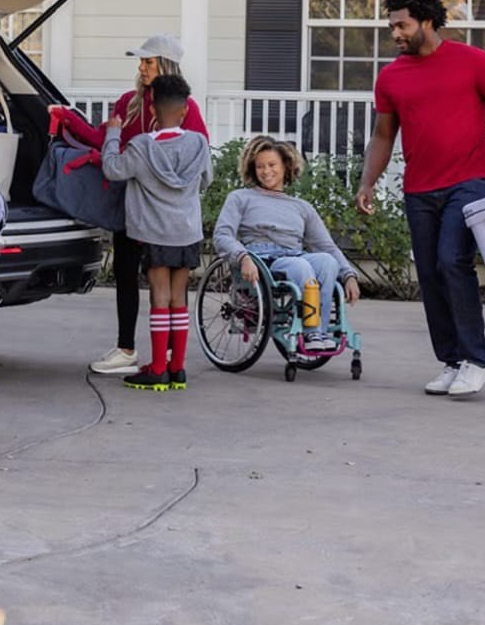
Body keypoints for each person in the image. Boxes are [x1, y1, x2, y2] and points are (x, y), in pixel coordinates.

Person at [355, 0, 485, 400]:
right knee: (431, 274)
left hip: (469, 181)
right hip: (420, 189)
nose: (395, 34)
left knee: (453, 262)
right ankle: (452, 361)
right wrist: (367, 182)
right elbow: (383, 136)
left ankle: (476, 360)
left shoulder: (472, 61)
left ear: (427, 21)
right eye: (392, 26)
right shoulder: (391, 76)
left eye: (402, 25)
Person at [87, 34, 209, 376]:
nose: (141, 67)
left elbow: (118, 159)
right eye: (140, 62)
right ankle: (135, 351)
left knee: (162, 292)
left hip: (157, 220)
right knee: (129, 276)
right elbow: (202, 170)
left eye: (148, 61)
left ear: (165, 65)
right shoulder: (128, 102)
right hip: (143, 215)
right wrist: (72, 122)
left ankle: (164, 362)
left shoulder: (185, 111)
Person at [212, 136, 362, 350]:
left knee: (327, 262)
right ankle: (312, 335)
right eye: (260, 166)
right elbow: (222, 235)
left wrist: (349, 275)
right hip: (261, 259)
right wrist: (242, 256)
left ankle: (318, 332)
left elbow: (326, 246)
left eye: (272, 165)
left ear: (285, 167)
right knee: (301, 266)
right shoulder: (240, 198)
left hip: (294, 254)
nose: (266, 171)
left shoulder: (301, 207)